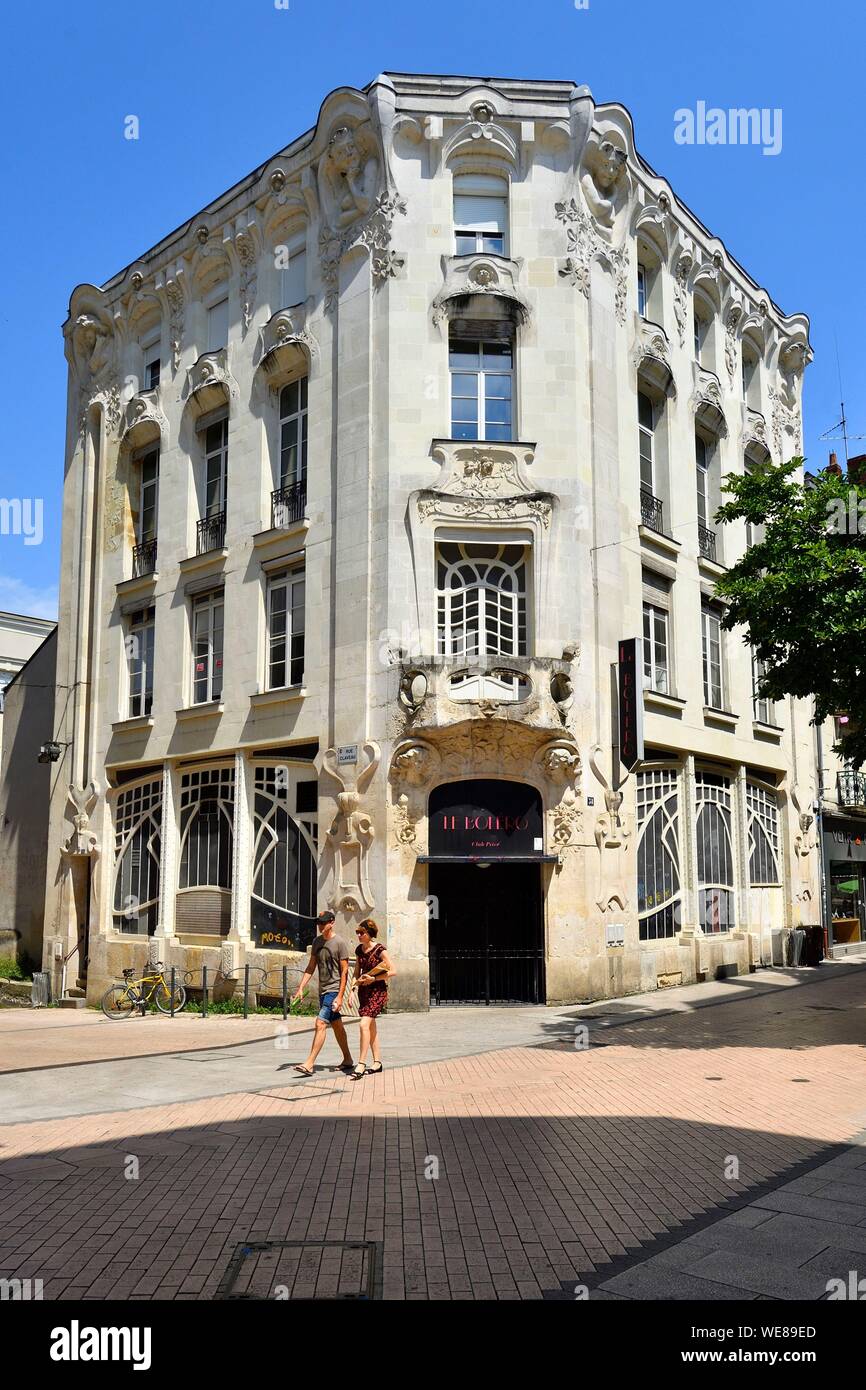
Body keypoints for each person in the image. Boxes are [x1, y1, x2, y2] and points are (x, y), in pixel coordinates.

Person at [293, 910, 354, 1077]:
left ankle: (309, 1063)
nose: (320, 925)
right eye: (319, 922)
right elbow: (311, 967)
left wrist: (340, 996)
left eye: (323, 922)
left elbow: (344, 972)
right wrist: (300, 988)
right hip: (323, 990)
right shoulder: (317, 942)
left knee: (320, 1023)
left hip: (333, 990)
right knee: (337, 1026)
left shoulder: (339, 943)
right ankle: (348, 1059)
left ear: (332, 922)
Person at [349, 918, 393, 1079]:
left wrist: (374, 979)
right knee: (371, 1027)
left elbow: (393, 970)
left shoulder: (380, 949)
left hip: (377, 992)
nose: (359, 935)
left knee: (363, 1024)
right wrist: (352, 990)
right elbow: (356, 972)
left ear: (369, 934)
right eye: (357, 933)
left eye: (361, 933)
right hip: (364, 992)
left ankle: (361, 1063)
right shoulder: (359, 950)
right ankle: (377, 1063)